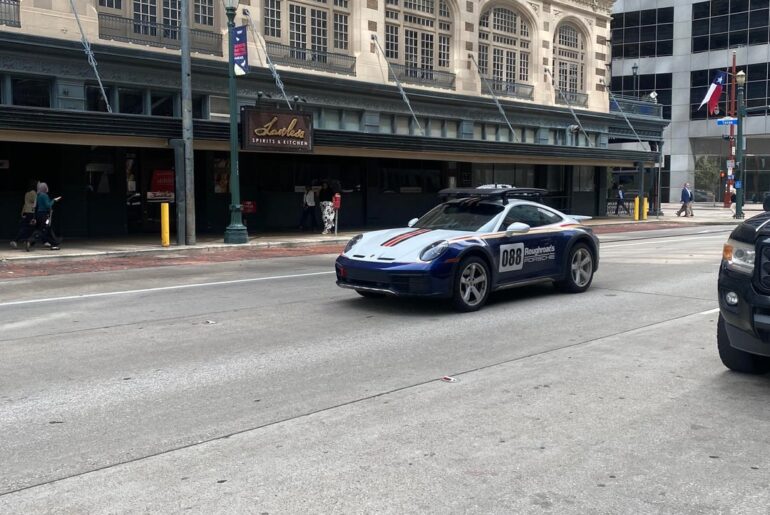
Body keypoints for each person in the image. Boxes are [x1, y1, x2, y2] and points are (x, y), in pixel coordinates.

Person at [28, 182, 60, 251]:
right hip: (44, 215)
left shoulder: (38, 195)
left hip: (39, 215)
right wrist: (54, 200)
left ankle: (54, 243)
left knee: (47, 229)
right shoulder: (44, 195)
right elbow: (48, 205)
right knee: (44, 229)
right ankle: (30, 241)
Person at [10, 180, 38, 248]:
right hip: (31, 212)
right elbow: (35, 203)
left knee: (25, 227)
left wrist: (22, 212)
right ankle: (25, 241)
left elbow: (25, 204)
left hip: (26, 211)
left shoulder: (27, 193)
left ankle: (19, 240)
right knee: (31, 228)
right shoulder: (34, 193)